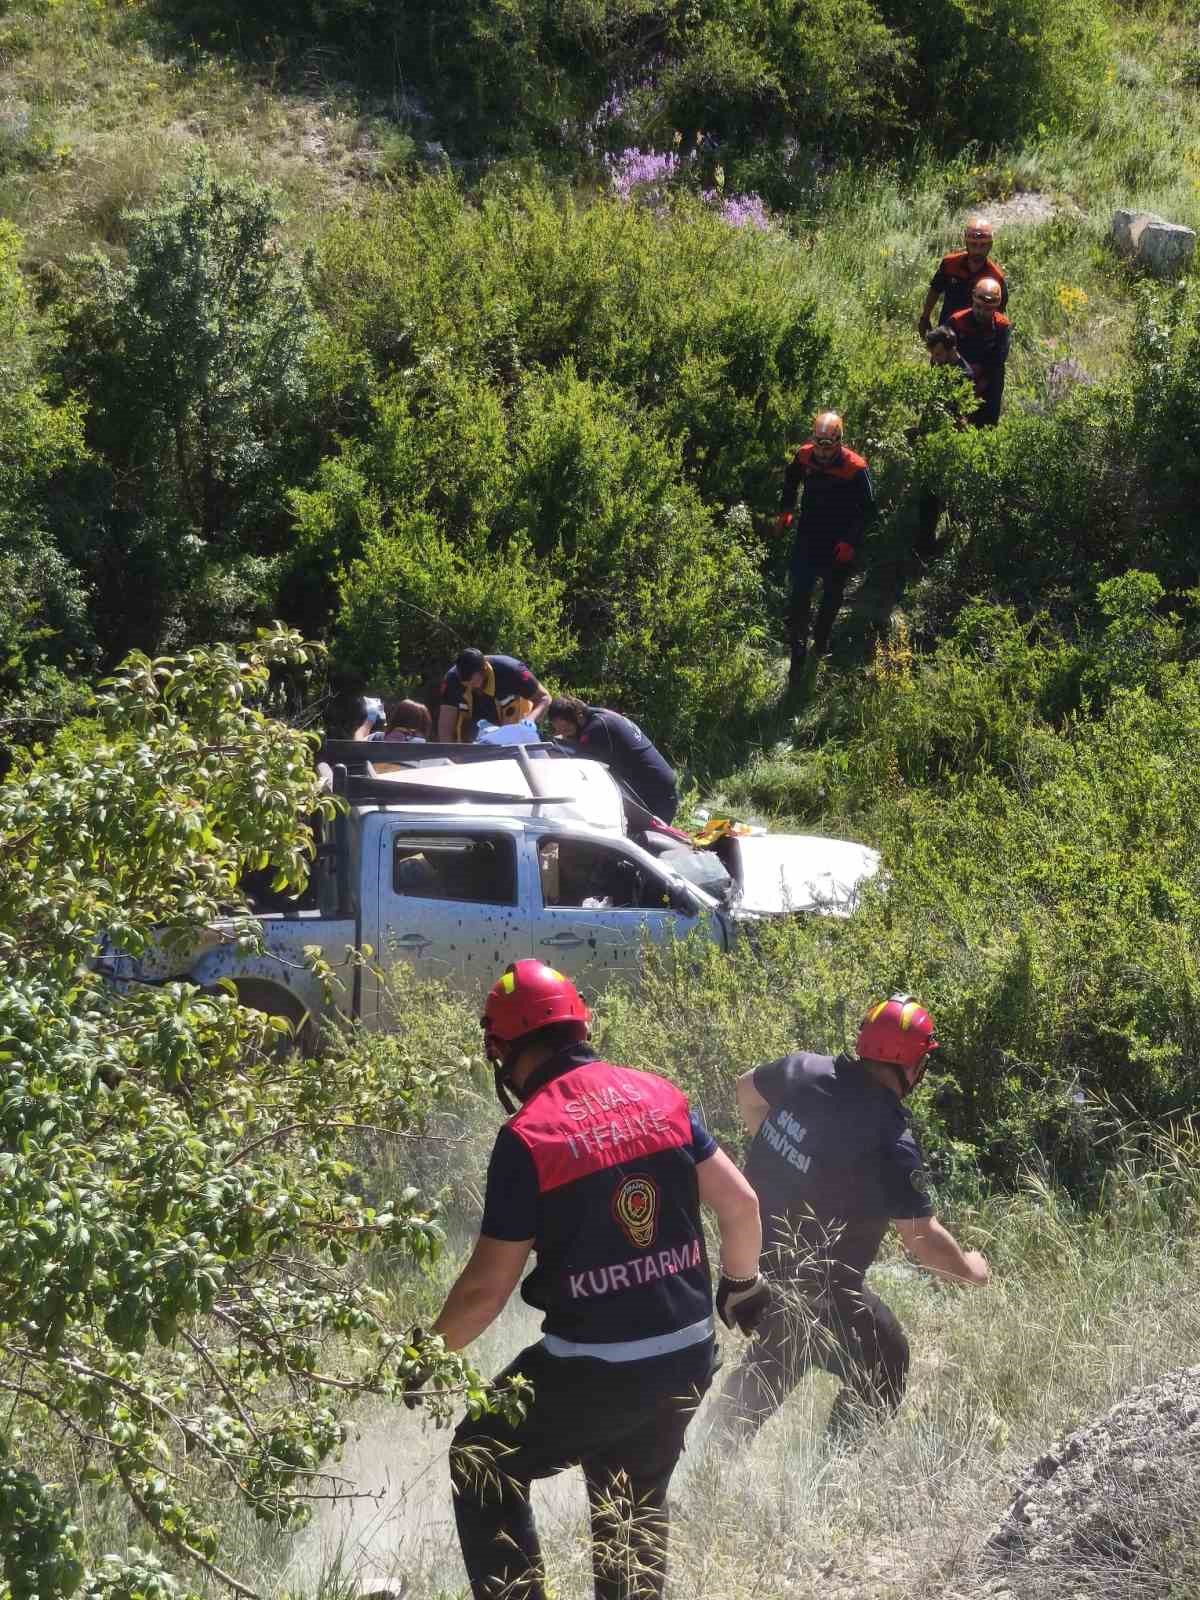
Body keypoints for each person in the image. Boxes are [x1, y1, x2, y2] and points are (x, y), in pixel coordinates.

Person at [425, 960, 768, 1600]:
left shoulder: (529, 1136)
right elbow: (742, 1205)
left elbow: (483, 1293)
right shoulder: (661, 1096)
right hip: (688, 1355)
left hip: (594, 1368)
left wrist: (424, 1356)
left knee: (482, 1453)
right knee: (630, 1506)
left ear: (503, 1050)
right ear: (578, 1028)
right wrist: (741, 1286)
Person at [710, 994, 989, 1447]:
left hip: (752, 1263)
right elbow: (922, 1239)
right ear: (913, 1066)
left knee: (784, 1350)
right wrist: (970, 1270)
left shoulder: (804, 1070)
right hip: (821, 1287)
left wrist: (773, 1147)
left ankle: (707, 1460)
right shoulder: (889, 1139)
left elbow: (745, 1090)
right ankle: (833, 1476)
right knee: (887, 1358)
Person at [777, 411, 876, 688]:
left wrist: (851, 541)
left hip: (838, 543)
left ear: (838, 441)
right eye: (818, 444)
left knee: (832, 595)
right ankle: (797, 650)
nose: (821, 453)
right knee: (799, 591)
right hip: (808, 535)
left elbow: (868, 510)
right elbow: (791, 479)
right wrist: (786, 509)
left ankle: (820, 641)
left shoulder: (855, 468)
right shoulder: (804, 456)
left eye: (828, 446)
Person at [547, 696, 680, 824]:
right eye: (559, 730)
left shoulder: (597, 728)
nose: (564, 735)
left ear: (578, 716)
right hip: (657, 786)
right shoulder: (597, 715)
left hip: (656, 794)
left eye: (566, 729)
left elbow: (583, 770)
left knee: (645, 843)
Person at [913, 327, 977, 564]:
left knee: (941, 495)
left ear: (952, 350)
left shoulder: (963, 375)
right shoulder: (938, 363)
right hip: (931, 434)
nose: (934, 359)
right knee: (927, 496)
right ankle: (924, 545)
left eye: (938, 354)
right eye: (932, 355)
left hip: (948, 440)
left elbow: (959, 415)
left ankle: (943, 546)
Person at [436, 648, 552, 743]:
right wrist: (451, 754)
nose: (472, 687)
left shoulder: (512, 670)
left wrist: (530, 719)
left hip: (515, 734)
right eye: (467, 684)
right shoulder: (452, 680)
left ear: (484, 670)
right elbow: (445, 727)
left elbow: (544, 698)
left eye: (475, 682)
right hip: (476, 737)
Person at [918, 216, 1008, 335]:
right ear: (966, 242)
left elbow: (998, 313)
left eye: (982, 245)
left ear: (990, 245)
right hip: (947, 332)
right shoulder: (950, 264)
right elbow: (935, 290)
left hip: (977, 336)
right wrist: (925, 317)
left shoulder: (995, 277)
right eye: (973, 244)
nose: (977, 250)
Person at [949, 277, 1012, 426]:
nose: (981, 312)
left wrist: (980, 386)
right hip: (958, 377)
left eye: (988, 309)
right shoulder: (957, 321)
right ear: (972, 300)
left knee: (985, 425)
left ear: (996, 307)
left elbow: (998, 359)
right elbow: (941, 352)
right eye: (978, 306)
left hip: (988, 381)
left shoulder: (1002, 326)